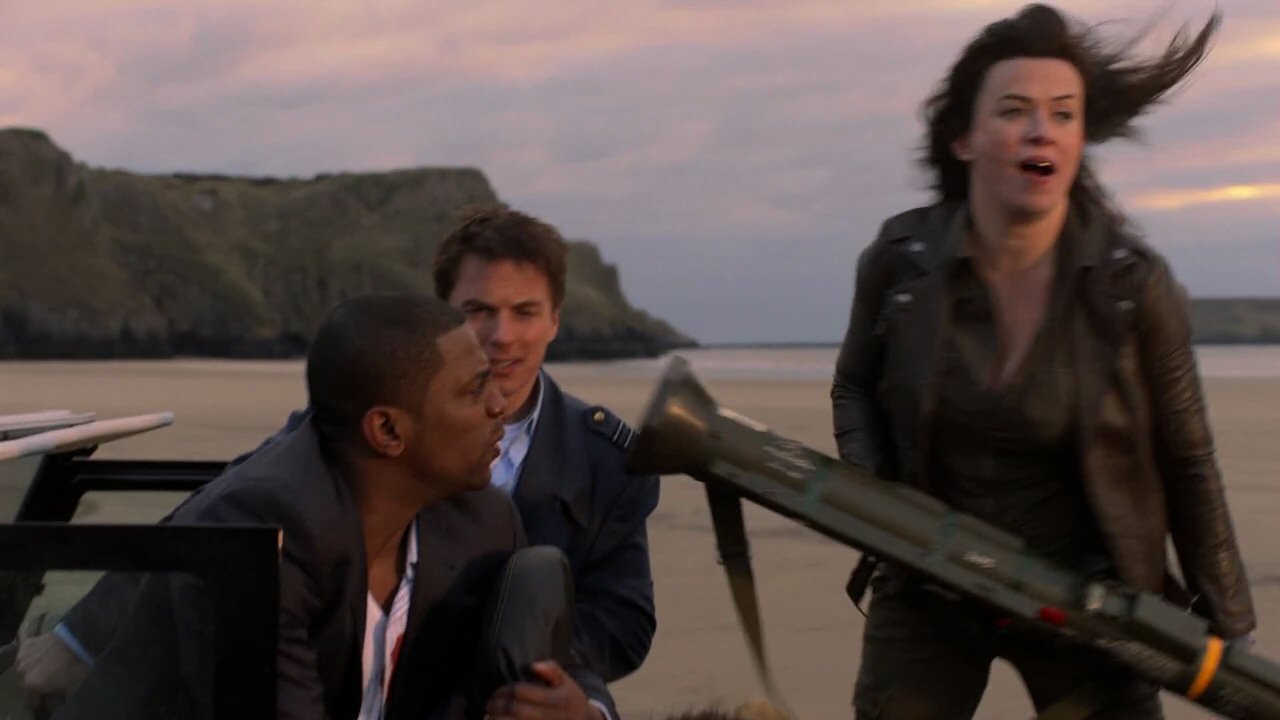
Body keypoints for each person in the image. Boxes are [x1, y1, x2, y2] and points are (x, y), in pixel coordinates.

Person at [830, 5, 1255, 719]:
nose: (1041, 130)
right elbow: (854, 388)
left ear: (1080, 139)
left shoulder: (1132, 287)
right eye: (1014, 110)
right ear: (964, 138)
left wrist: (1229, 624)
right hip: (930, 583)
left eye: (1063, 113)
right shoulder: (901, 263)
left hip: (1087, 601)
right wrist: (885, 512)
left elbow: (1188, 460)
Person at [28, 294, 615, 720]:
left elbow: (565, 663)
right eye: (473, 389)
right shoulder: (263, 533)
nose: (500, 407)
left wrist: (579, 710)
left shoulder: (481, 519)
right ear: (388, 431)